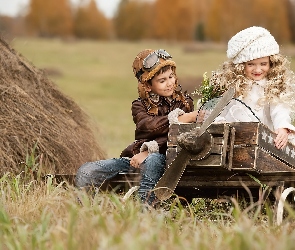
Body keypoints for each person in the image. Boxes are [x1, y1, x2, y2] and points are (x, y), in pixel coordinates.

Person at [75, 49, 199, 206]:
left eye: (171, 76)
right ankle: (84, 213)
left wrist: (150, 151)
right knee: (86, 171)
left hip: (168, 159)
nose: (169, 83)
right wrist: (181, 119)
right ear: (148, 85)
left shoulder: (184, 102)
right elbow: (148, 126)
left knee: (153, 159)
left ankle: (145, 214)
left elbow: (180, 136)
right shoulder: (139, 106)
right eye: (162, 80)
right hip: (136, 158)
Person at [206, 26, 295, 149]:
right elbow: (221, 108)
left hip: (265, 143)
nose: (258, 69)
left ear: (272, 63)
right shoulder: (234, 85)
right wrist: (220, 122)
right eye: (251, 64)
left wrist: (282, 127)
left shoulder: (273, 85)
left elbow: (279, 109)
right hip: (235, 141)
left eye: (263, 64)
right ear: (241, 65)